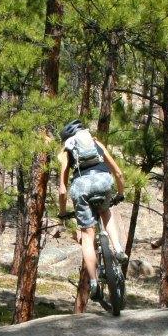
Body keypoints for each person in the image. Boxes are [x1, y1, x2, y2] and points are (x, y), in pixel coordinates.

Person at [56, 119, 128, 300]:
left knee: (87, 236)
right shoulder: (96, 143)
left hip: (81, 188)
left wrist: (63, 212)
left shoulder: (67, 151)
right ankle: (118, 250)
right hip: (103, 181)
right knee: (106, 212)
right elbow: (118, 172)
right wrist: (120, 193)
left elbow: (63, 189)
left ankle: (94, 283)